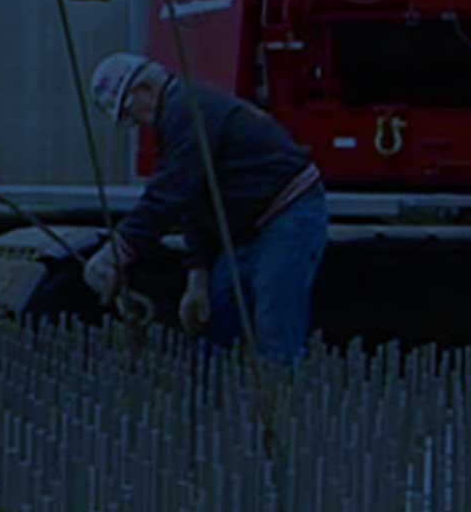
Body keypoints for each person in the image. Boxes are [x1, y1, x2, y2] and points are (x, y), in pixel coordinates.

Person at [81, 52, 327, 360]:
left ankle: (278, 384)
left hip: (287, 213)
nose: (138, 123)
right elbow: (194, 200)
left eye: (131, 113)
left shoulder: (187, 109)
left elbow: (171, 192)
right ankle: (229, 385)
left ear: (144, 88)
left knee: (273, 324)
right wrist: (198, 278)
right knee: (219, 314)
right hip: (250, 225)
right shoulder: (177, 117)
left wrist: (117, 250)